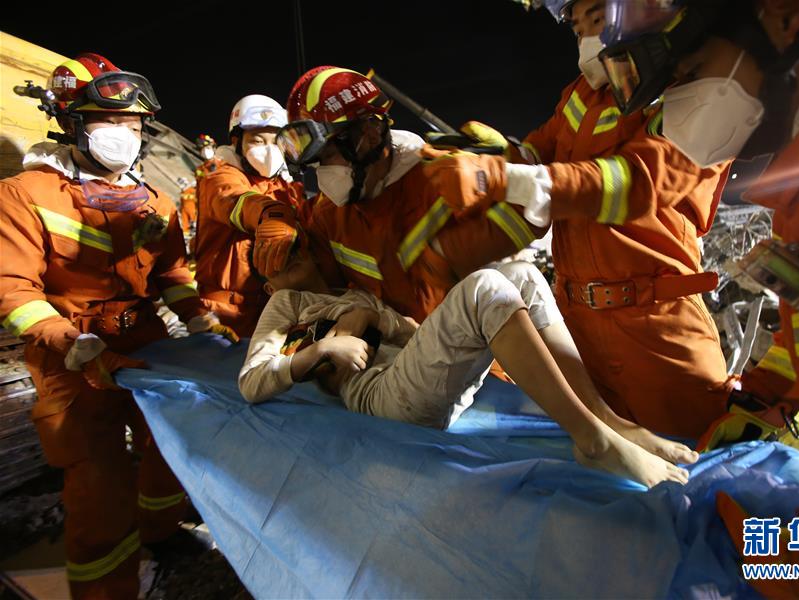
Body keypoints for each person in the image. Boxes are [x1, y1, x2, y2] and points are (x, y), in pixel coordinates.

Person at [599, 0, 799, 595]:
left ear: (790, 15)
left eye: (692, 70)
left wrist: (787, 551)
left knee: (747, 534)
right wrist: (760, 401)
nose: (680, 109)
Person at [430, 0, 733, 439]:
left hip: (656, 330)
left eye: (595, 18)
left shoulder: (700, 90)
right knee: (601, 470)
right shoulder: (583, 95)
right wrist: (499, 157)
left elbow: (632, 182)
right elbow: (541, 153)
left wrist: (504, 178)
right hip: (577, 324)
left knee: (691, 464)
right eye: (576, 27)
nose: (585, 36)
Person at [0, 53, 236, 599]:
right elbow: (14, 291)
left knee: (171, 440)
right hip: (70, 350)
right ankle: (106, 591)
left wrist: (196, 316)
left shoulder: (151, 199)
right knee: (98, 480)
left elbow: (172, 271)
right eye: (108, 124)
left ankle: (159, 530)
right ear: (73, 124)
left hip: (144, 337)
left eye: (132, 127)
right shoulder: (25, 194)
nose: (122, 137)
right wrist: (73, 344)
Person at [240, 250, 699, 488]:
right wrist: (323, 350)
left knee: (519, 273)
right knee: (484, 288)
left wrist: (374, 317)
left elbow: (413, 331)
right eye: (276, 262)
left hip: (416, 378)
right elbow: (252, 382)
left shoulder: (352, 292)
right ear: (268, 283)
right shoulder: (286, 304)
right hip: (378, 397)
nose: (292, 262)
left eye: (294, 250)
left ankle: (606, 420)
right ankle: (593, 441)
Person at [279, 67, 548, 325]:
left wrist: (510, 167)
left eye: (328, 157)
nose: (324, 175)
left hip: (477, 350)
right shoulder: (329, 213)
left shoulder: (448, 178)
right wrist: (272, 220)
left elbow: (534, 214)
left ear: (370, 135)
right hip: (396, 355)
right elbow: (318, 282)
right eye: (316, 165)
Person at [193, 95, 312, 336]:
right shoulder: (220, 178)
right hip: (227, 312)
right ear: (236, 141)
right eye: (257, 141)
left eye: (276, 141)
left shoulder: (285, 187)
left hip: (274, 306)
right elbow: (237, 201)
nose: (268, 150)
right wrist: (273, 214)